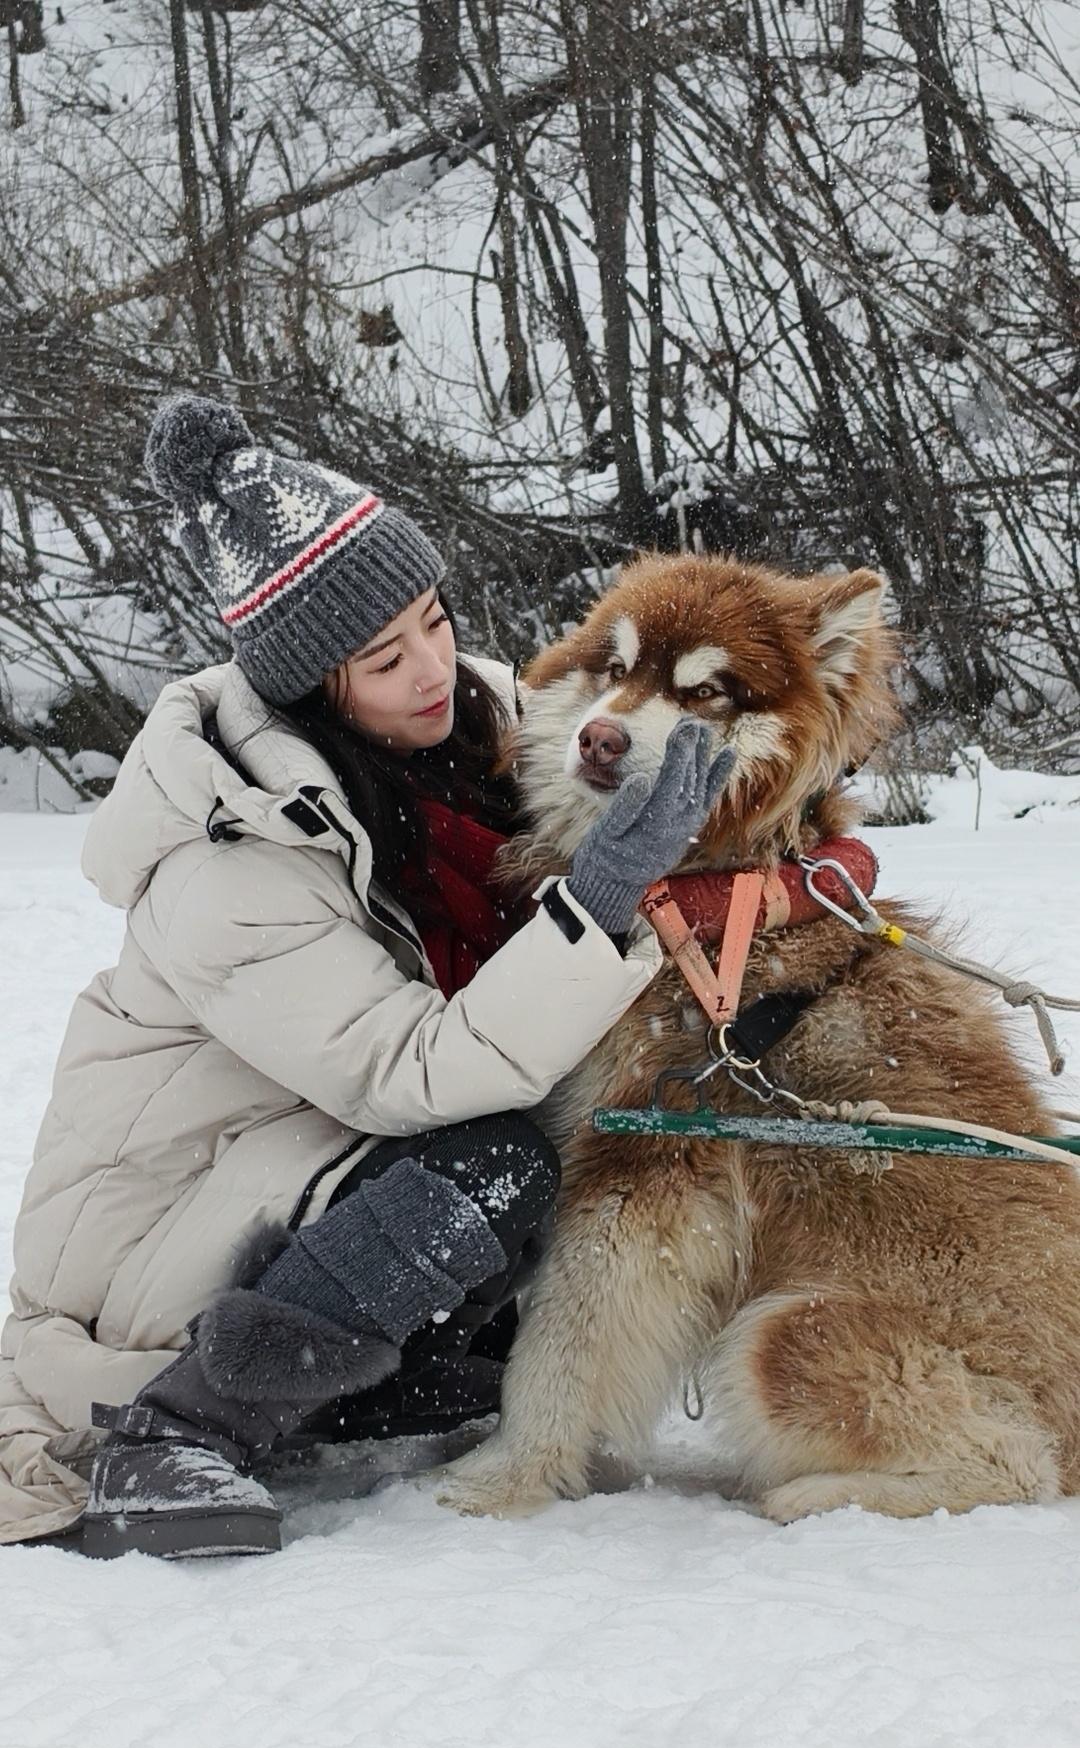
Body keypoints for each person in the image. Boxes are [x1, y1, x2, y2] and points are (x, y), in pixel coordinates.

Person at [1, 395, 731, 1559]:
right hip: (158, 1234)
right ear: (310, 687)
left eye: (435, 620)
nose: (433, 667)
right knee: (494, 1162)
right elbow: (411, 1071)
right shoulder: (228, 853)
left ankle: (374, 1382)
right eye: (386, 658)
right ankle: (182, 1423)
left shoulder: (476, 728)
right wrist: (599, 899)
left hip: (313, 1167)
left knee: (577, 1152)